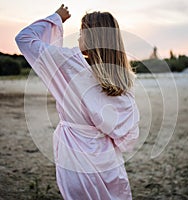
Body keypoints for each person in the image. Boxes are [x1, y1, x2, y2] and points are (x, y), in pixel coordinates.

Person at [15, 4, 139, 200]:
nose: (79, 38)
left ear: (90, 36)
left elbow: (24, 39)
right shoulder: (123, 79)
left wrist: (56, 18)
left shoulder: (67, 63)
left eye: (82, 33)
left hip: (75, 159)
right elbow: (127, 133)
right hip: (108, 163)